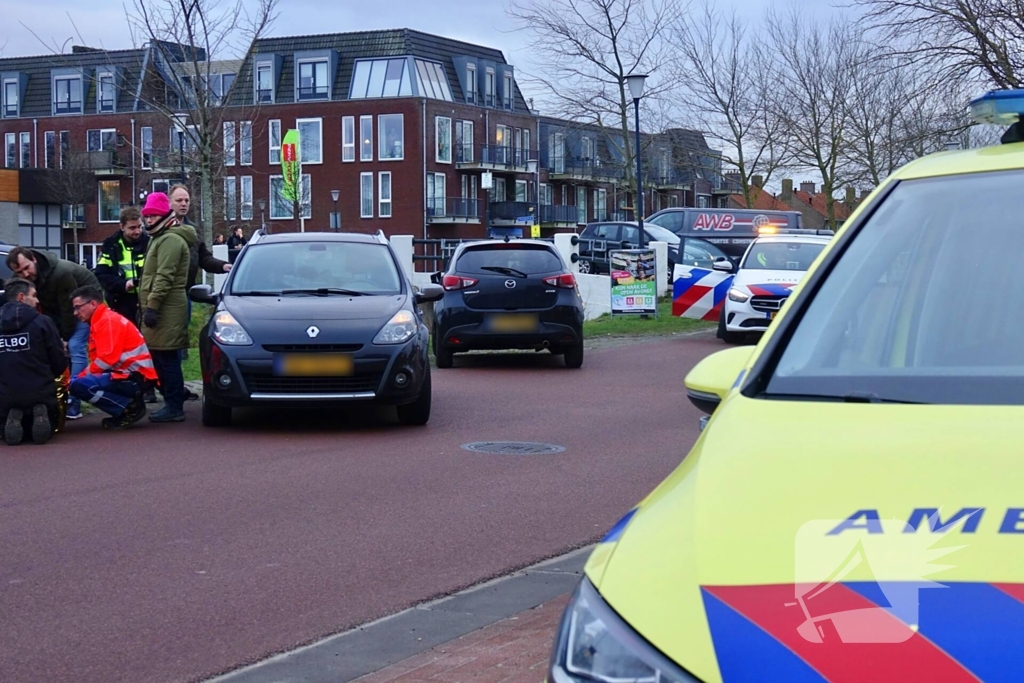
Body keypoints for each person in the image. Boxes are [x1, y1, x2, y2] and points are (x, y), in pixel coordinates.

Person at [6, 246, 102, 421]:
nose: (25, 275)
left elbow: (68, 309)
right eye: (19, 272)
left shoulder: (61, 273)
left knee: (74, 346)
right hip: (56, 309)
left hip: (84, 305)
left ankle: (74, 400)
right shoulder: (21, 280)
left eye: (27, 268)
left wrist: (64, 338)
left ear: (34, 259)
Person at [138, 192, 196, 423]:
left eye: (153, 216)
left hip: (167, 309)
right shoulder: (160, 237)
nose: (148, 220)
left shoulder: (170, 239)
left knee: (167, 358)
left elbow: (164, 276)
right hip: (162, 308)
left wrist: (152, 307)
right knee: (160, 357)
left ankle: (174, 406)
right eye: (147, 216)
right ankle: (174, 397)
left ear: (164, 215)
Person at [169, 184, 230, 400]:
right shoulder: (160, 229)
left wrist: (224, 266)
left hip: (184, 295)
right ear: (169, 202)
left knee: (178, 343)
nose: (184, 204)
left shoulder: (193, 230)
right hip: (164, 295)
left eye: (186, 200)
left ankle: (175, 389)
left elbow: (204, 258)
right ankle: (162, 389)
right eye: (179, 200)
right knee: (161, 345)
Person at [68, 286, 157, 430]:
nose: (75, 313)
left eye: (78, 307)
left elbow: (106, 360)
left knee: (79, 385)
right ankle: (127, 404)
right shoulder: (103, 320)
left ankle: (128, 409)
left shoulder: (107, 321)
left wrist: (79, 377)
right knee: (80, 382)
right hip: (131, 375)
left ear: (93, 304)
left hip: (133, 377)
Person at [0, 279, 68, 445]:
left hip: (5, 392)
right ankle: (40, 412)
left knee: (8, 410)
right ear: (22, 297)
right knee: (47, 417)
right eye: (34, 296)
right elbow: (58, 358)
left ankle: (13, 413)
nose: (37, 300)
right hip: (40, 388)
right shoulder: (43, 321)